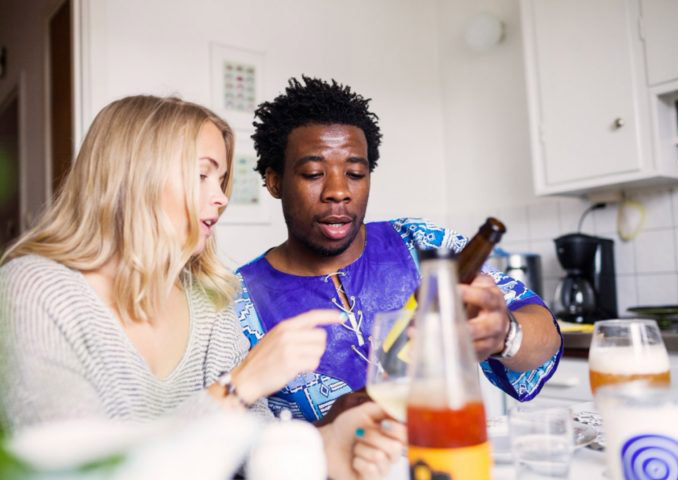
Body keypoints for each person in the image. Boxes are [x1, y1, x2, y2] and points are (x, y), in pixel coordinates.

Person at [0, 95, 404, 479]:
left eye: (222, 179)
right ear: (135, 178)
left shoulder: (208, 299)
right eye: (201, 175)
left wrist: (328, 446)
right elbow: (77, 470)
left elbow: (252, 451)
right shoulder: (35, 290)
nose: (221, 198)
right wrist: (237, 386)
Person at [235, 76, 563, 422]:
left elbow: (543, 331)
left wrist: (505, 334)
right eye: (314, 173)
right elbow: (228, 436)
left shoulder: (420, 244)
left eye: (355, 174)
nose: (338, 191)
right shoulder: (238, 302)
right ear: (274, 181)